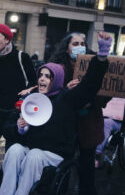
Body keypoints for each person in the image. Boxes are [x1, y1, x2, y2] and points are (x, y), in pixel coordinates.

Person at [0, 32, 111, 195]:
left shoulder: (66, 99)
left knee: (35, 155)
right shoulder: (31, 98)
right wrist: (19, 127)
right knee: (15, 149)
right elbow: (8, 128)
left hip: (52, 153)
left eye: (48, 76)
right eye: (40, 75)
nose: (42, 79)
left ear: (56, 79)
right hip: (32, 150)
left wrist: (101, 57)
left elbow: (90, 85)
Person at [49, 32, 111, 195]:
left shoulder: (94, 65)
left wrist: (92, 99)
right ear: (67, 49)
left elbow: (105, 93)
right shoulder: (58, 68)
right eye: (75, 44)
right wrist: (65, 91)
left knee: (86, 168)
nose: (79, 47)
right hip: (66, 126)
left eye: (82, 44)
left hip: (89, 124)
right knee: (63, 166)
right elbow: (51, 94)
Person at [0, 24, 37, 151]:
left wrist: (29, 90)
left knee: (12, 150)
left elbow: (34, 82)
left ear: (7, 39)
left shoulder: (21, 57)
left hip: (15, 113)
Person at [95, 99, 125, 168]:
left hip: (119, 121)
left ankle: (97, 154)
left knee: (106, 122)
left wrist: (117, 113)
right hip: (102, 116)